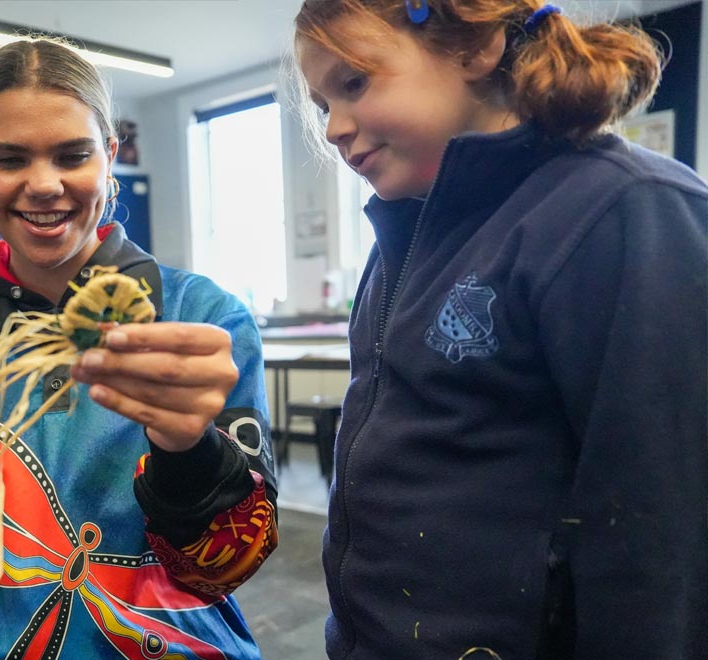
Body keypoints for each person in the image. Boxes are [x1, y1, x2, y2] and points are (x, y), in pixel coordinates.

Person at [0, 38, 279, 659]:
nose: (44, 185)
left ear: (110, 157)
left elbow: (229, 567)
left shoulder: (198, 320)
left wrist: (187, 452)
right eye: (9, 158)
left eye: (73, 155)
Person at [292, 1, 708, 657]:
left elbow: (661, 540)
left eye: (354, 84)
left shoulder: (621, 210)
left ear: (477, 46)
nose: (335, 128)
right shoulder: (402, 231)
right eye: (322, 106)